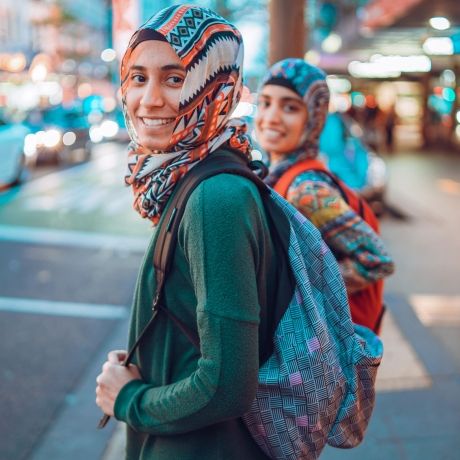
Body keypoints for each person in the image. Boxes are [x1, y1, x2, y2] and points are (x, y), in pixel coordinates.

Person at [96, 5, 278, 459]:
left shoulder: (214, 199)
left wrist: (128, 400)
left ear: (217, 87)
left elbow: (226, 385)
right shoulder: (192, 176)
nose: (149, 99)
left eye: (175, 79)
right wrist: (153, 358)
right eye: (138, 77)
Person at [255, 58, 394, 332]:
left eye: (291, 107)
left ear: (314, 119)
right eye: (266, 102)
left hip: (322, 358)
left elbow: (375, 260)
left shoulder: (306, 189)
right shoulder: (279, 175)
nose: (271, 116)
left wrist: (300, 293)